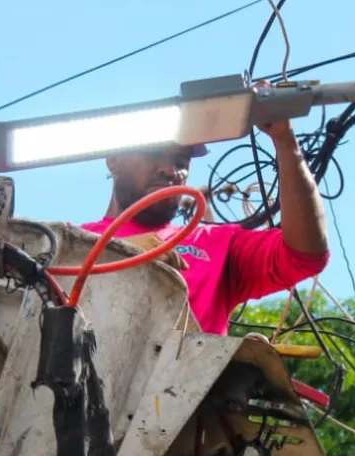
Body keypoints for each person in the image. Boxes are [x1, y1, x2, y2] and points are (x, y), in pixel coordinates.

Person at [81, 119, 329, 335]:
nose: (170, 170)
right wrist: (121, 254)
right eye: (154, 154)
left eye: (180, 161)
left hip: (187, 376)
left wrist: (285, 141)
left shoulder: (215, 244)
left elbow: (305, 255)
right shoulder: (73, 241)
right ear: (113, 161)